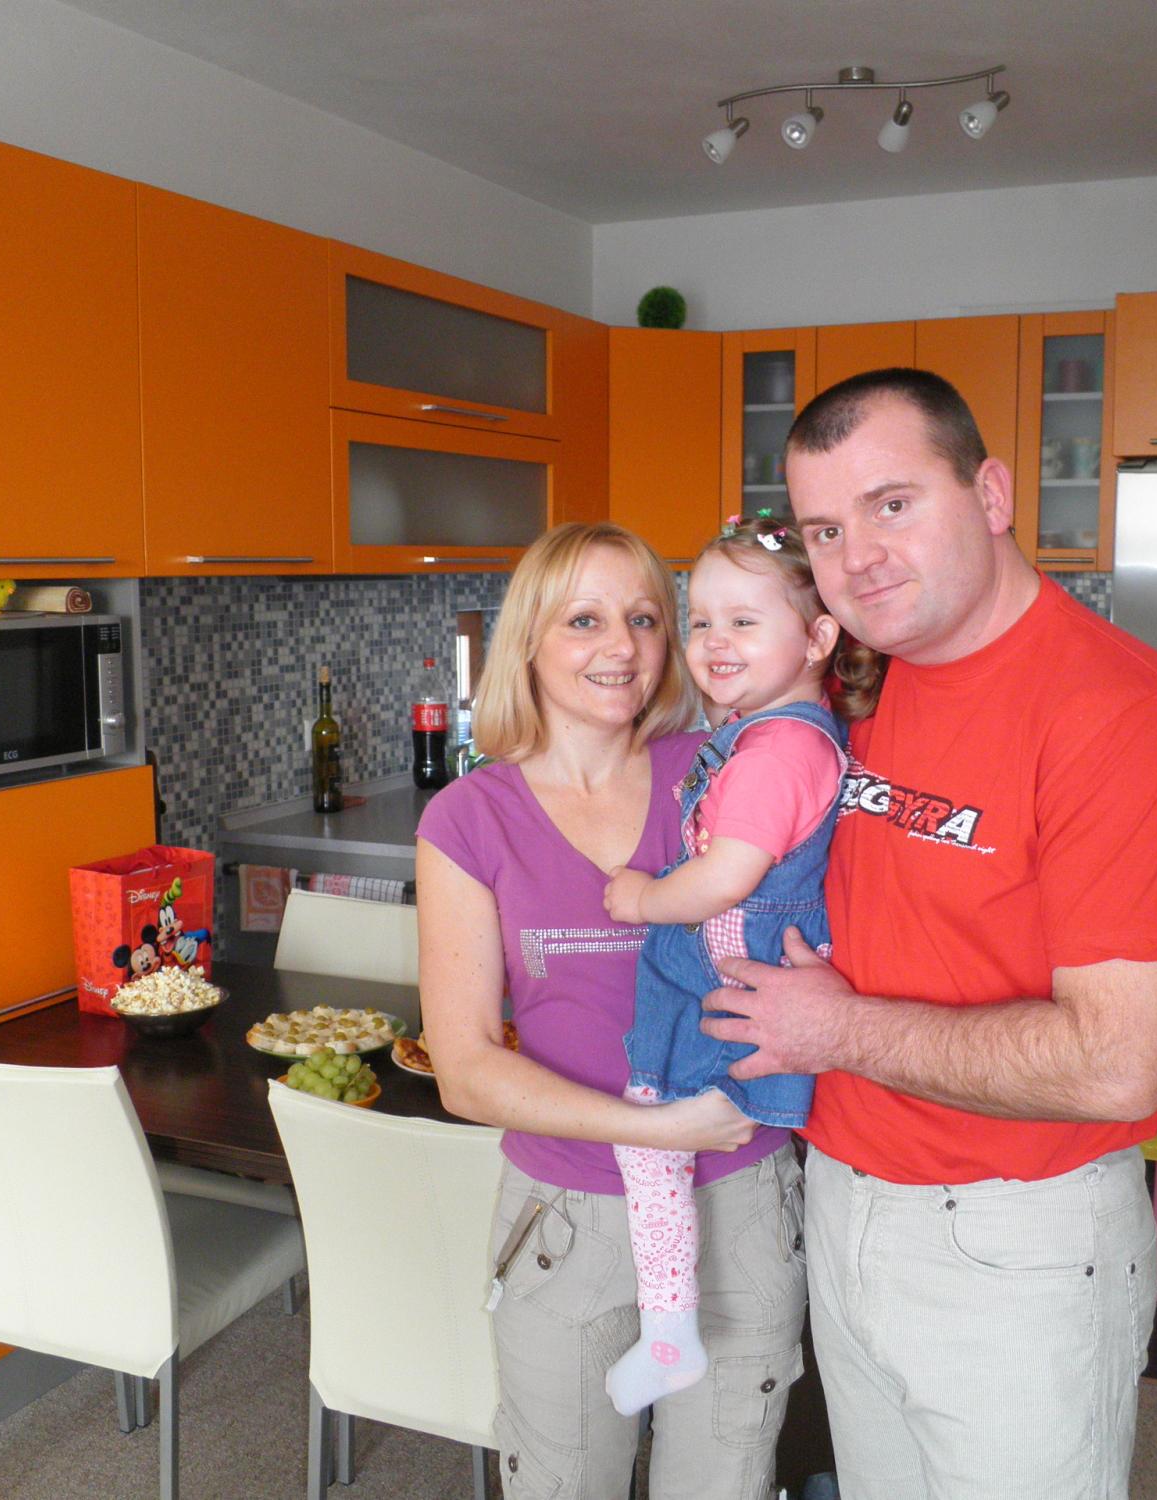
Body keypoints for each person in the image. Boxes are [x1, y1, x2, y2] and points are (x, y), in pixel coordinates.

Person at [704, 369, 1157, 1500]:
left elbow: (1115, 1063)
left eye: (892, 505)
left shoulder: (1123, 718)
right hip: (844, 1197)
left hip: (1014, 1240)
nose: (858, 557)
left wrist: (834, 1031)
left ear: (991, 495)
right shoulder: (857, 687)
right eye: (825, 529)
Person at [417, 521, 809, 1500]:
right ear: (529, 641)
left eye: (643, 618)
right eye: (584, 620)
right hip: (567, 1221)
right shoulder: (468, 818)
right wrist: (653, 1128)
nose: (622, 647)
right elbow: (464, 1070)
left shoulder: (720, 770)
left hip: (735, 1197)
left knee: (722, 1482)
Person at [598, 514, 849, 1416]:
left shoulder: (779, 752)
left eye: (744, 621)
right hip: (725, 967)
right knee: (652, 1134)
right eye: (700, 620)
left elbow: (725, 880)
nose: (713, 641)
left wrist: (642, 899)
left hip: (727, 977)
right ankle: (670, 1327)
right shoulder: (774, 732)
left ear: (817, 638)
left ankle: (669, 1331)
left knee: (646, 1136)